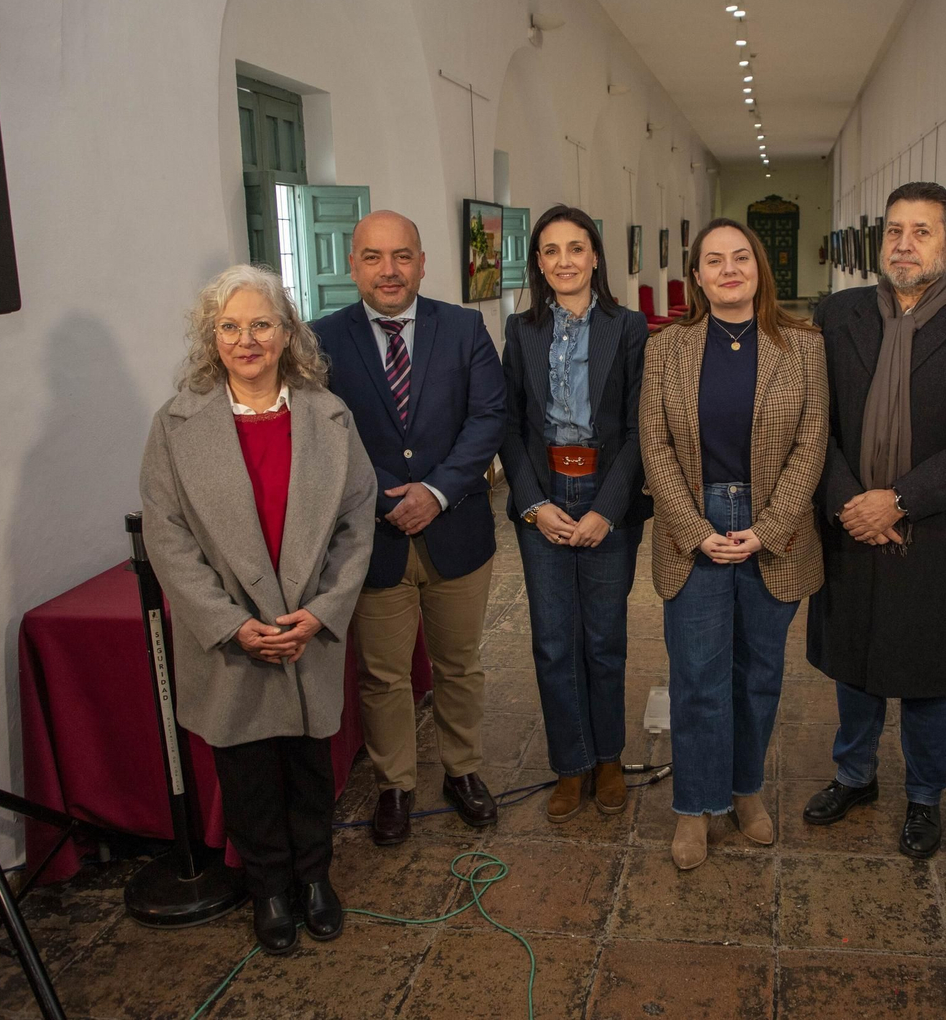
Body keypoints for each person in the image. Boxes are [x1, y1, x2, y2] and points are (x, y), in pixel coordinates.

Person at [139, 265, 376, 954]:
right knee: (244, 771)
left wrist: (324, 610)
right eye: (231, 327)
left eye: (261, 324)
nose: (247, 340)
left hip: (308, 628)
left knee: (309, 765)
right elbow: (167, 534)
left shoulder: (329, 416)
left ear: (286, 332)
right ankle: (268, 888)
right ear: (212, 337)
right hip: (231, 635)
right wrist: (230, 622)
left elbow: (357, 522)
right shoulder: (176, 425)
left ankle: (314, 880)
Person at [805, 181, 946, 860]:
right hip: (849, 522)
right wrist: (850, 503)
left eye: (921, 232)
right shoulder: (837, 316)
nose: (903, 243)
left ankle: (925, 796)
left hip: (935, 525)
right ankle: (855, 776)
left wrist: (895, 501)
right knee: (857, 660)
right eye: (894, 230)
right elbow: (817, 425)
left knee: (929, 671)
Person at [311, 210, 507, 845]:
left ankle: (463, 771)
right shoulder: (319, 341)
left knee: (459, 664)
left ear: (423, 263)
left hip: (456, 530)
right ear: (353, 266)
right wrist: (381, 497)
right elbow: (319, 436)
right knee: (384, 675)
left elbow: (488, 417)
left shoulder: (465, 327)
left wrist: (437, 490)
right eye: (373, 257)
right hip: (371, 537)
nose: (388, 270)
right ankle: (395, 784)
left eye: (401, 256)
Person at [640, 219, 828, 871]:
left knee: (759, 676)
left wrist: (770, 526)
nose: (728, 269)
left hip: (774, 527)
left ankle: (745, 792)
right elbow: (654, 444)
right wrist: (695, 529)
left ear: (759, 268)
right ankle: (695, 807)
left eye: (740, 257)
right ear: (696, 276)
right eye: (713, 260)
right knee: (697, 678)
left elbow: (813, 440)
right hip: (692, 523)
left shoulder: (803, 345)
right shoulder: (666, 349)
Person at [499, 204, 651, 822]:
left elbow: (643, 428)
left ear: (595, 257)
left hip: (606, 496)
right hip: (544, 496)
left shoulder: (631, 325)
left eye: (576, 248)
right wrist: (534, 504)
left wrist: (608, 511)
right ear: (539, 262)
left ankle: (609, 756)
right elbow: (507, 425)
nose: (564, 261)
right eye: (551, 251)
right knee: (554, 642)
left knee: (604, 639)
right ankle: (571, 764)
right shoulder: (521, 330)